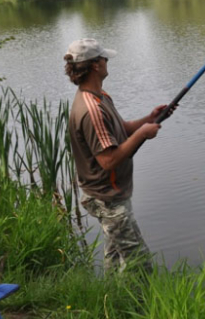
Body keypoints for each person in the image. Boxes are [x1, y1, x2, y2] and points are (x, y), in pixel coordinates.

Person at [63, 38, 174, 272]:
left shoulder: (98, 96)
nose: (107, 62)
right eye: (104, 59)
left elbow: (120, 129)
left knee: (114, 259)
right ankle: (143, 306)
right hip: (107, 199)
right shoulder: (91, 109)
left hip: (109, 195)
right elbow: (108, 160)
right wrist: (143, 134)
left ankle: (111, 302)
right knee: (139, 264)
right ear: (95, 65)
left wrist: (151, 118)